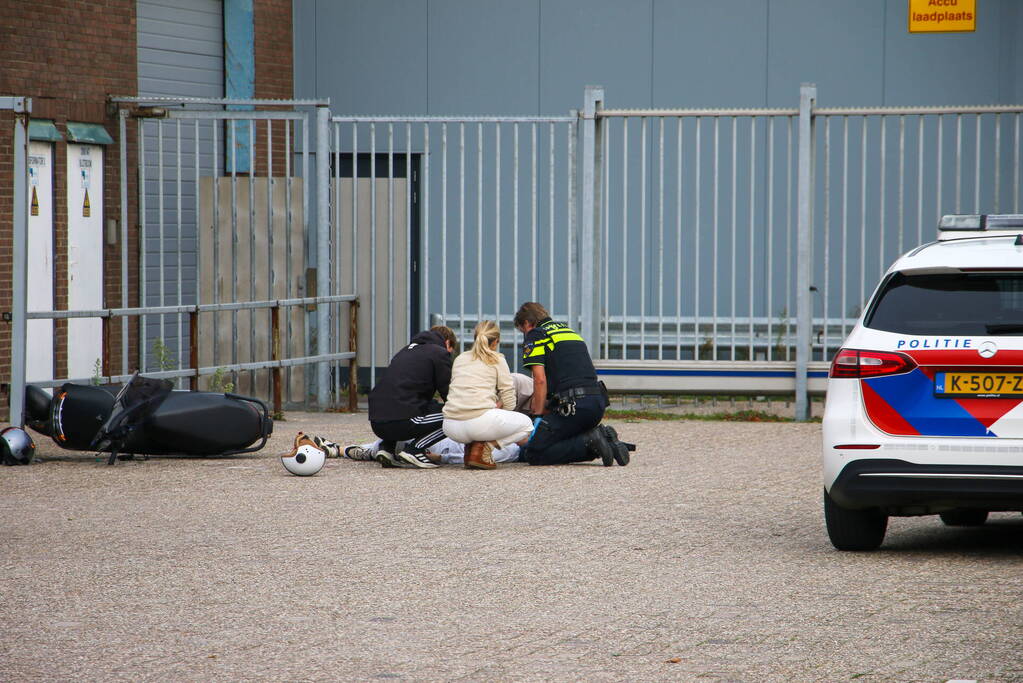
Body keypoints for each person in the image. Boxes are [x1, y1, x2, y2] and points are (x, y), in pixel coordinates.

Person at [514, 301, 628, 466]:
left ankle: (590, 442)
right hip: (596, 405)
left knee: (532, 452)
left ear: (527, 323)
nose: (524, 335)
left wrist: (536, 416)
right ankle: (605, 442)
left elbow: (539, 380)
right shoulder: (569, 331)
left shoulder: (536, 334)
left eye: (522, 331)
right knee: (555, 440)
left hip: (573, 408)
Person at [344, 373, 534, 466]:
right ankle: (346, 449)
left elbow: (465, 458)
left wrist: (441, 458)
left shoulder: (509, 450)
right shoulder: (502, 433)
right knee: (406, 438)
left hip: (442, 445)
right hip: (446, 438)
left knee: (401, 442)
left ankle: (345, 449)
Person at [442, 320, 535, 469]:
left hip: (450, 426)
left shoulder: (460, 358)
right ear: (496, 341)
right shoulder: (497, 359)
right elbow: (508, 395)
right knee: (527, 425)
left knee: (480, 424)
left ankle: (471, 450)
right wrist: (504, 418)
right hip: (478, 423)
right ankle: (486, 448)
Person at [366, 325, 457, 468]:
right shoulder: (439, 352)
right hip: (402, 421)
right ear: (447, 343)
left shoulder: (404, 351)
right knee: (453, 415)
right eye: (450, 351)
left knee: (406, 404)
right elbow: (449, 395)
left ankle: (387, 449)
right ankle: (415, 451)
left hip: (377, 422)